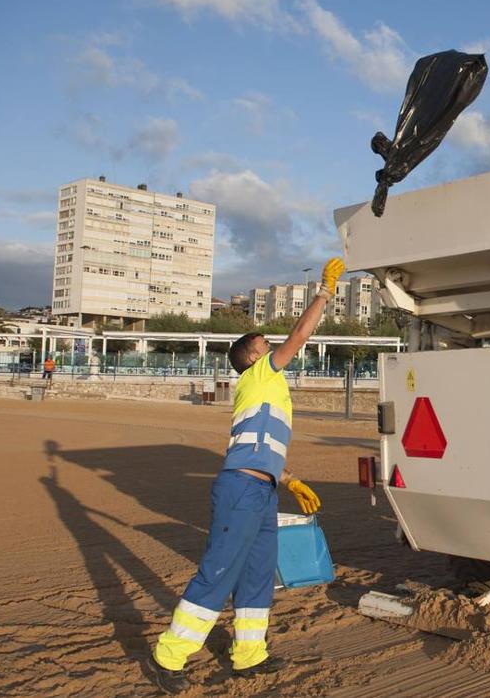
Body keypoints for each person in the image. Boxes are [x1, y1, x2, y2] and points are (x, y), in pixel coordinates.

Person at [147, 257, 344, 693]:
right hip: (240, 490)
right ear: (253, 357)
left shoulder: (267, 390)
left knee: (257, 577)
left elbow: (259, 448)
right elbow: (300, 335)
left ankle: (249, 655)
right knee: (219, 572)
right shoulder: (260, 374)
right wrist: (325, 291)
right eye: (265, 343)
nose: (273, 346)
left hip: (261, 490)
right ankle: (168, 654)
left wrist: (288, 480)